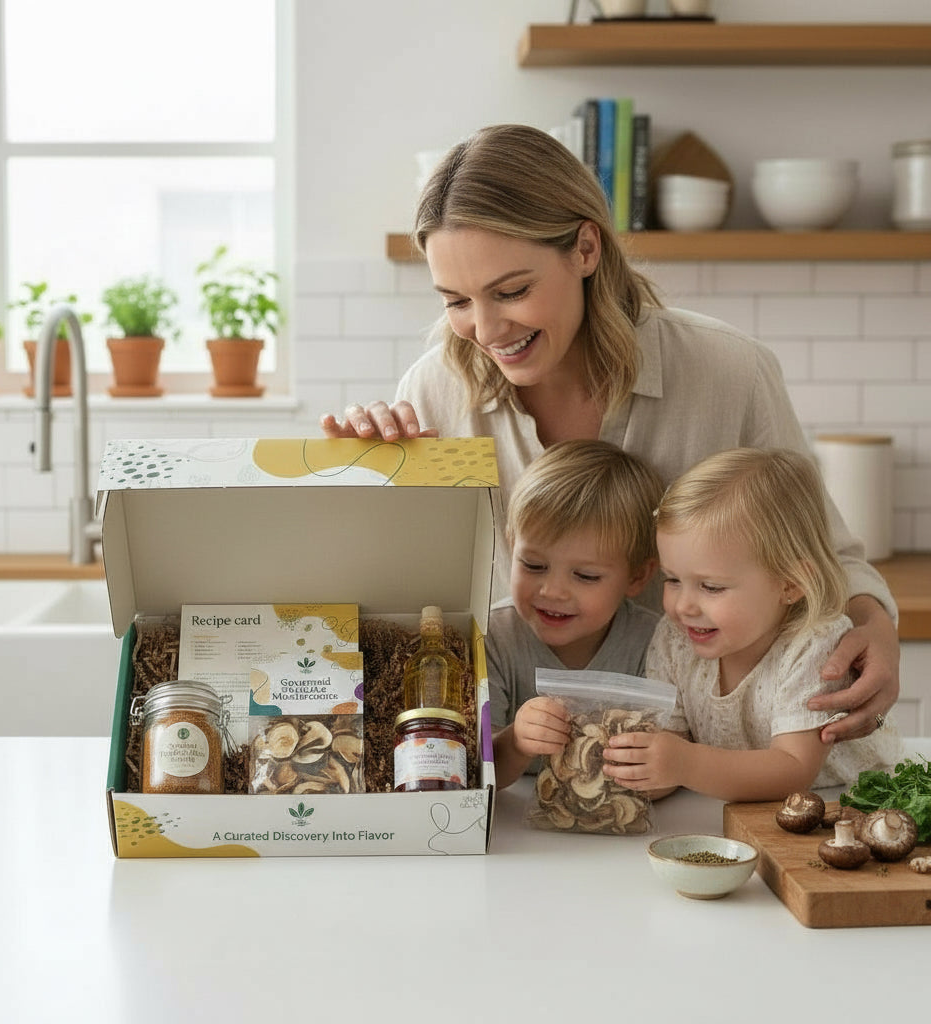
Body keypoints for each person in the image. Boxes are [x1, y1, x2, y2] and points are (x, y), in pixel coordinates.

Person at [320, 122, 899, 743]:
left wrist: (877, 628)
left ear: (586, 249)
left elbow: (826, 556)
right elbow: (403, 596)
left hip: (713, 755)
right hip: (517, 763)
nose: (485, 330)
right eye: (455, 301)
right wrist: (365, 475)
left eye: (511, 291)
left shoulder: (728, 372)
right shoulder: (435, 392)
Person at [603, 448, 901, 802]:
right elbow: (674, 744)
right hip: (732, 807)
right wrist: (640, 772)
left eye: (711, 587)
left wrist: (684, 764)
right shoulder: (674, 639)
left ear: (789, 584)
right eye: (672, 580)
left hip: (844, 803)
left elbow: (793, 769)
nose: (682, 606)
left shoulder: (815, 645)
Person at [488, 439, 664, 790]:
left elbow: (666, 765)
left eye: (586, 576)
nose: (552, 591)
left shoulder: (654, 642)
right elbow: (478, 770)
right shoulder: (494, 637)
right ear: (511, 545)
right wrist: (516, 742)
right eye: (534, 565)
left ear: (637, 576)